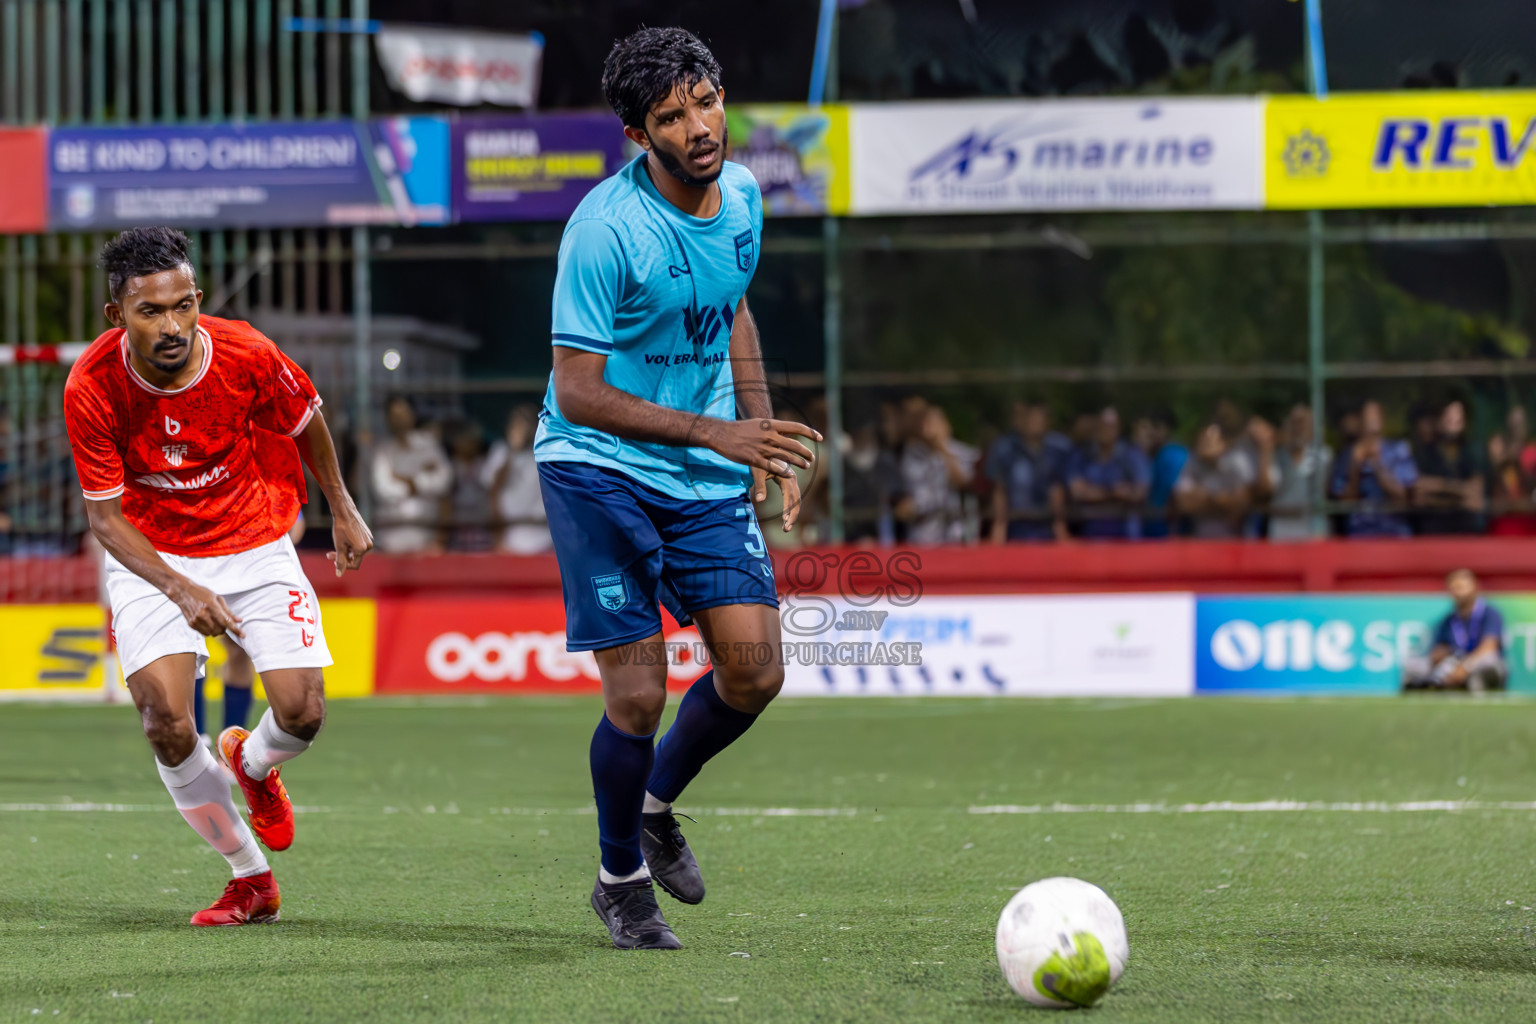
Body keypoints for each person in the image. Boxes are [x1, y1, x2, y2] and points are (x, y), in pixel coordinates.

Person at [534, 27, 820, 950]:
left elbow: (731, 304)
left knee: (756, 671)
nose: (700, 127)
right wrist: (719, 431)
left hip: (702, 471)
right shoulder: (604, 231)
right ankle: (621, 880)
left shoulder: (741, 196)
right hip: (596, 466)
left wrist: (762, 437)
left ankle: (655, 807)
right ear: (635, 132)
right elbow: (577, 389)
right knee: (638, 698)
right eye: (672, 116)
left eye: (707, 101)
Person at [62, 227, 372, 926]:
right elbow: (107, 522)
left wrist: (343, 509)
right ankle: (249, 879)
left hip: (253, 539)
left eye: (183, 305)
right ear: (118, 317)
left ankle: (253, 763)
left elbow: (306, 420)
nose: (172, 325)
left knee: (304, 713)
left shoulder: (244, 352)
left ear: (198, 297)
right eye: (151, 312)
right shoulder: (91, 385)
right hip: (151, 556)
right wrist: (178, 586)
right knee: (166, 723)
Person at [370, 394, 451, 554]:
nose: (399, 420)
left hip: (427, 541)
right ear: (387, 419)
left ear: (413, 414)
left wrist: (407, 481)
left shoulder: (429, 445)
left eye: (403, 414)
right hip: (389, 543)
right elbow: (383, 491)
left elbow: (444, 480)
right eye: (394, 415)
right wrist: (422, 478)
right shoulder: (382, 451)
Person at [1402, 569, 1507, 692]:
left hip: (1477, 664)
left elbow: (1489, 646)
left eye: (1463, 587)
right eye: (1455, 588)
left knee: (1489, 659)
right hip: (1455, 662)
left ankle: (1472, 681)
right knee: (1415, 665)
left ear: (1475, 587)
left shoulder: (1490, 613)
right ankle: (1433, 683)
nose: (1459, 592)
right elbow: (1439, 649)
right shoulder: (1448, 620)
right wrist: (1439, 656)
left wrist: (1466, 666)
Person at [1328, 399, 1418, 538]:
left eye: (1374, 417)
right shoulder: (1347, 455)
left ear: (1383, 421)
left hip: (1395, 533)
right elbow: (1344, 503)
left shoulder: (1399, 449)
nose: (1370, 422)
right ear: (1360, 422)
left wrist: (1377, 463)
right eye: (1366, 418)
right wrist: (1356, 465)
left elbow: (1403, 496)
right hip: (1360, 535)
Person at [988, 401, 1071, 543]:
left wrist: (1059, 526)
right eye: (1031, 419)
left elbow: (1058, 491)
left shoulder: (1058, 450)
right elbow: (1000, 490)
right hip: (1016, 526)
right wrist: (999, 527)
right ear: (1023, 421)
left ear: (1047, 422)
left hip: (1046, 528)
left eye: (1039, 419)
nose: (1035, 423)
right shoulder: (1006, 450)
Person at [897, 400, 978, 545]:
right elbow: (913, 495)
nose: (931, 427)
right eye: (927, 423)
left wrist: (941, 447)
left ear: (947, 426)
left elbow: (964, 483)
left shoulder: (965, 453)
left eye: (935, 422)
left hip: (957, 536)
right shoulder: (912, 455)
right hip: (923, 538)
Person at [1171, 422, 1270, 539]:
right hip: (1201, 540)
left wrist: (1203, 499)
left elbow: (1242, 503)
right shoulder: (1192, 464)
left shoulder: (1237, 463)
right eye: (1202, 441)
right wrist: (1219, 499)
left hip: (1236, 541)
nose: (1205, 445)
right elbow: (1184, 503)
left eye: (1210, 441)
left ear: (1224, 444)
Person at [1066, 406, 1150, 540]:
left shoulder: (1133, 454)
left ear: (1119, 428)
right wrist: (1112, 493)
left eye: (1111, 426)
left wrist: (1097, 493)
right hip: (1090, 533)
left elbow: (1141, 492)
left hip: (1126, 533)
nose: (1107, 430)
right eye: (1103, 425)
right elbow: (1078, 492)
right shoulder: (1082, 454)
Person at [482, 405, 553, 554]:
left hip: (544, 535)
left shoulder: (546, 451)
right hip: (511, 536)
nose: (521, 429)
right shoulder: (501, 451)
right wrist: (512, 450)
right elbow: (493, 489)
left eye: (525, 423)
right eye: (516, 424)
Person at [1411, 399, 1485, 535]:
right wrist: (1460, 492)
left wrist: (1438, 490)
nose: (1453, 422)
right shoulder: (1425, 452)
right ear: (1439, 420)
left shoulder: (1470, 452)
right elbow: (1420, 495)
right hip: (1434, 529)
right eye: (1448, 417)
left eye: (1458, 418)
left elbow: (1476, 498)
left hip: (1465, 529)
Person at [1268, 404, 1331, 541]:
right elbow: (1269, 490)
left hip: (1312, 530)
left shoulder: (1322, 455)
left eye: (1303, 422)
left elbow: (1320, 490)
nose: (1298, 428)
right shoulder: (1276, 456)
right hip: (1281, 530)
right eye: (1295, 422)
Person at [1134, 409, 1188, 539]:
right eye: (1150, 427)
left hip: (1168, 531)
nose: (1152, 432)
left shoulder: (1172, 454)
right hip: (1153, 529)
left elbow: (1176, 493)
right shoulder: (1156, 454)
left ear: (1167, 429)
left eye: (1157, 427)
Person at [1488, 405, 1536, 536]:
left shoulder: (1531, 453)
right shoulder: (1499, 464)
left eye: (1520, 423)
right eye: (1513, 423)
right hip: (1502, 524)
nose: (1517, 427)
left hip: (1528, 523)